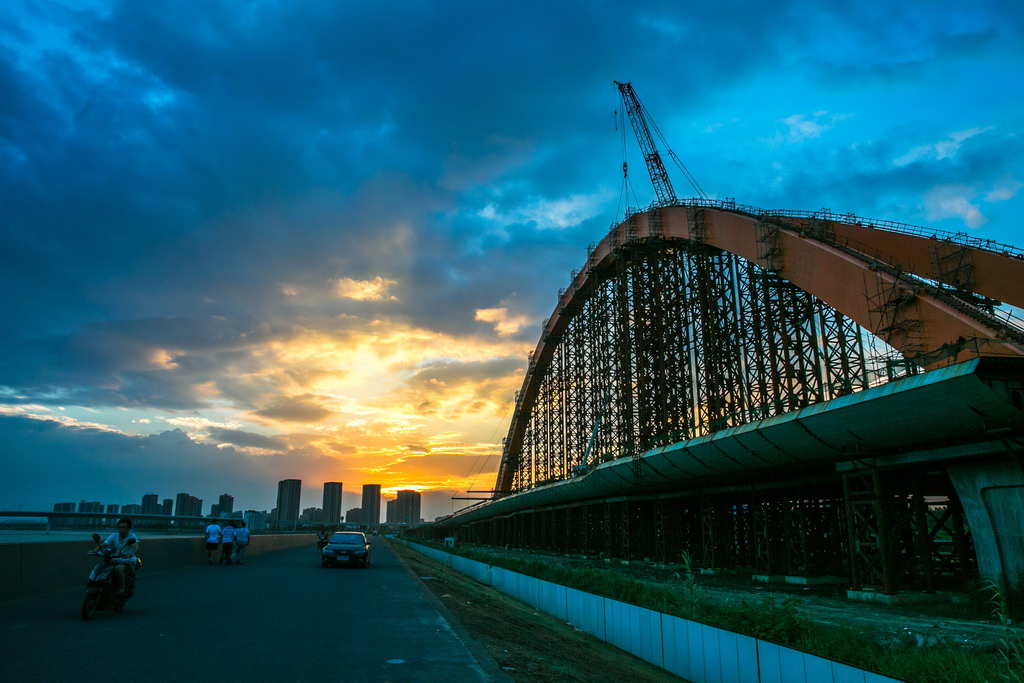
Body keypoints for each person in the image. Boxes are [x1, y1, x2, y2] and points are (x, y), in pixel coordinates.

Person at [100, 518, 139, 596]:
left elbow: (135, 547)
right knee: (103, 566)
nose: (121, 529)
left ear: (129, 529)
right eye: (120, 527)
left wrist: (130, 554)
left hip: (127, 560)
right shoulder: (114, 536)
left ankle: (122, 588)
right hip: (115, 558)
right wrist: (95, 550)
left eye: (124, 528)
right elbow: (104, 544)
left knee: (119, 569)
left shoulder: (132, 536)